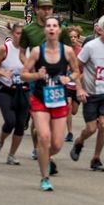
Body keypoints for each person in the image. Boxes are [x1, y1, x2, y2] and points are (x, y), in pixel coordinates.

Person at [23, 15, 81, 191]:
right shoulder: (37, 52)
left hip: (59, 100)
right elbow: (24, 74)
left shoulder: (67, 51)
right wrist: (36, 75)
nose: (51, 28)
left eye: (55, 26)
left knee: (56, 144)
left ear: (59, 30)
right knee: (44, 137)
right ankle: (45, 178)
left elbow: (77, 71)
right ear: (45, 30)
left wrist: (68, 78)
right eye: (48, 26)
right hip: (40, 99)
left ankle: (45, 156)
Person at [71, 15, 104, 172]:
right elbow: (76, 67)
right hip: (90, 93)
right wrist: (79, 88)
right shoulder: (90, 47)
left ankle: (96, 158)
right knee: (91, 128)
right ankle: (79, 142)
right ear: (100, 30)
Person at [0, 22, 30, 165]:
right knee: (10, 121)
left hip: (23, 90)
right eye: (18, 33)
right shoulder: (5, 48)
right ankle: (0, 143)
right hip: (5, 89)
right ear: (13, 34)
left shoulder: (29, 50)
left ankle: (11, 155)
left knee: (20, 124)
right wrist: (3, 73)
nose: (20, 36)